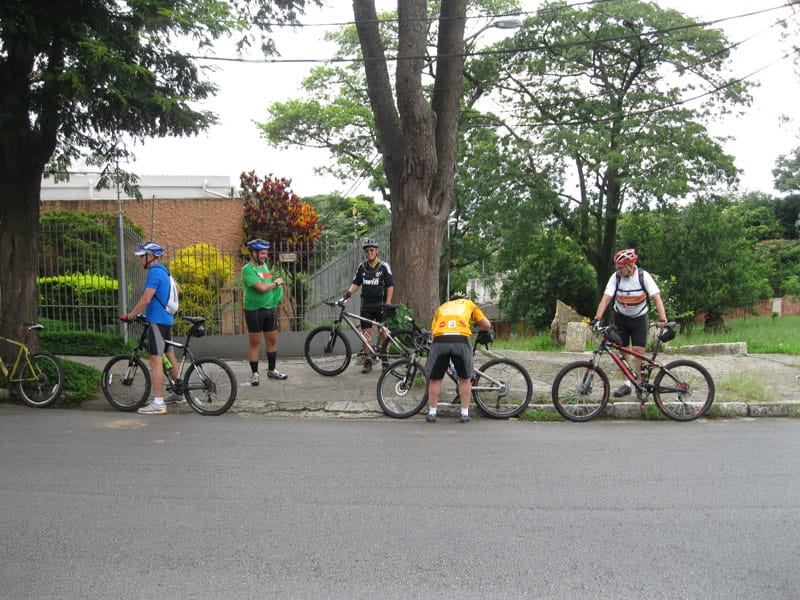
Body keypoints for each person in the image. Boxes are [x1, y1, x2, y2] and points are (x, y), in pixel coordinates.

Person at [591, 248, 668, 398]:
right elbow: (606, 298)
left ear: (630, 266)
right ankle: (626, 384)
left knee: (638, 351)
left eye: (620, 268)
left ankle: (640, 384)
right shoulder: (616, 277)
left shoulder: (643, 276)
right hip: (621, 317)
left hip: (639, 318)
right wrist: (597, 317)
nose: (618, 270)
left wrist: (662, 318)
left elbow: (656, 297)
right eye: (617, 268)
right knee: (623, 350)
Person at [123, 241, 180, 415]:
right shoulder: (164, 271)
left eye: (142, 256)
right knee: (168, 355)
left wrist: (131, 315)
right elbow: (177, 288)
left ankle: (158, 403)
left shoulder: (154, 272)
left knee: (155, 360)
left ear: (151, 256)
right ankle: (179, 393)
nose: (140, 259)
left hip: (156, 320)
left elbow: (146, 298)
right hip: (166, 319)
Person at [424, 293, 492, 423]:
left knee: (435, 378)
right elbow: (487, 325)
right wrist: (480, 330)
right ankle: (464, 413)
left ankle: (432, 413)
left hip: (440, 339)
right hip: (461, 339)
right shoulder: (469, 304)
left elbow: (433, 334)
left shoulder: (442, 307)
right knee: (465, 378)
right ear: (463, 299)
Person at [343, 238, 395, 374]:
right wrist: (349, 292)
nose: (369, 252)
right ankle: (368, 360)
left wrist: (388, 303)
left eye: (372, 250)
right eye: (367, 251)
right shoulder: (362, 267)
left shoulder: (384, 266)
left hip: (381, 305)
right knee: (366, 334)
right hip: (366, 305)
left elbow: (390, 286)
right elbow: (356, 283)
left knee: (384, 333)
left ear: (377, 251)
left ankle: (385, 360)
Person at [242, 238, 287, 385]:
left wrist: (274, 287)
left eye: (266, 253)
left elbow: (267, 284)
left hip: (269, 308)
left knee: (272, 340)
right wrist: (276, 283)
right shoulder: (247, 269)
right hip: (254, 311)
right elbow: (261, 288)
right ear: (253, 253)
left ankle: (272, 370)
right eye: (262, 253)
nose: (265, 256)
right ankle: (254, 374)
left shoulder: (264, 267)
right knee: (255, 342)